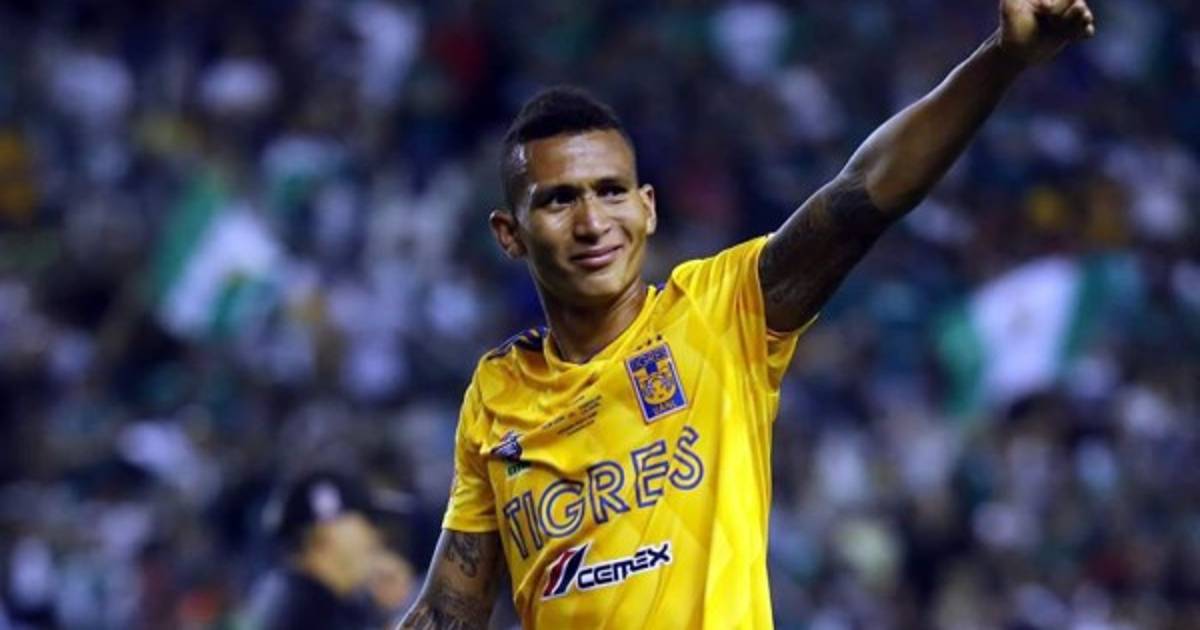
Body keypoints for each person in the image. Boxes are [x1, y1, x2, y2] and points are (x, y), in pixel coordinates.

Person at [399, 1, 1096, 628]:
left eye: (611, 191)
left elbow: (865, 192)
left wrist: (1001, 59)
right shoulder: (498, 393)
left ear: (647, 207)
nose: (592, 222)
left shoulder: (720, 309)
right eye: (559, 200)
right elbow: (450, 609)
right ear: (510, 234)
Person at [244, 470, 414, 630]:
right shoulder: (296, 608)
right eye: (369, 521)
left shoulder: (326, 600)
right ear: (324, 534)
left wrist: (389, 609)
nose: (376, 536)